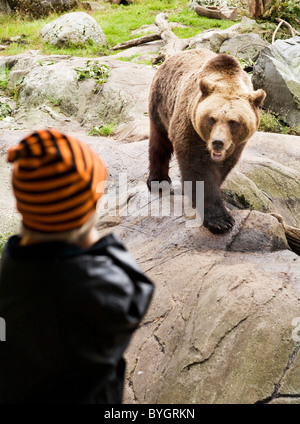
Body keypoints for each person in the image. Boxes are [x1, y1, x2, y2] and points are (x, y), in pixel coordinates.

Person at [0, 128, 154, 404]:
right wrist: (98, 241)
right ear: (89, 209)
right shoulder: (92, 286)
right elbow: (136, 291)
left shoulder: (11, 266)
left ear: (22, 207)